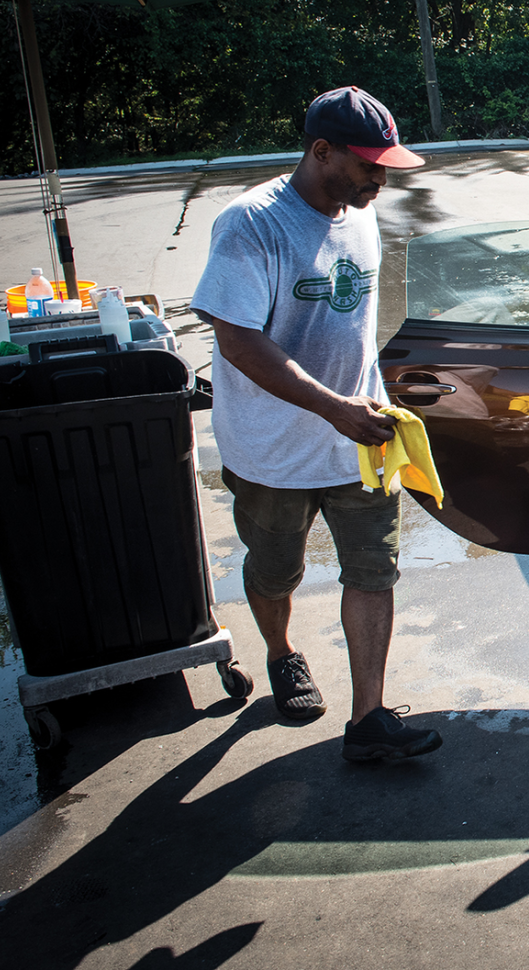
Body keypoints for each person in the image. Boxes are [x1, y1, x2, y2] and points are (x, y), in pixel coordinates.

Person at [190, 86, 442, 763]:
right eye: (368, 163)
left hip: (359, 441)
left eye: (385, 165)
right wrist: (334, 407)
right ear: (320, 151)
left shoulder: (360, 215)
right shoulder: (252, 224)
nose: (379, 178)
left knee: (373, 570)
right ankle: (281, 650)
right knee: (276, 571)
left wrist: (377, 399)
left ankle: (369, 718)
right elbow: (239, 342)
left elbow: (354, 325)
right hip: (272, 450)